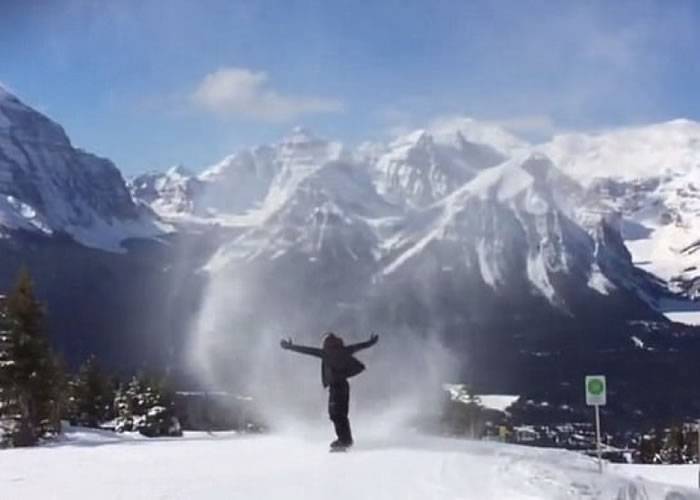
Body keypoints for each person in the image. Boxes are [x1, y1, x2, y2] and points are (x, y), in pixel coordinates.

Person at [280, 332, 379, 449]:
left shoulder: (327, 353)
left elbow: (307, 350)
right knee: (339, 414)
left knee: (336, 414)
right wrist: (370, 342)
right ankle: (345, 439)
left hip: (337, 386)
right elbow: (360, 346)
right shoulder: (343, 351)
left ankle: (345, 440)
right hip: (342, 385)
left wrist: (290, 347)